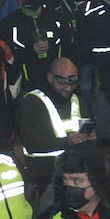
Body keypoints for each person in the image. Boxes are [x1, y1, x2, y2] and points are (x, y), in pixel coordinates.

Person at [14, 56, 93, 198]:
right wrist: (67, 142)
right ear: (50, 77)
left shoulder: (77, 101)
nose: (68, 88)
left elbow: (87, 130)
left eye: (72, 83)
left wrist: (91, 137)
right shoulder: (32, 102)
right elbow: (31, 143)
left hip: (77, 175)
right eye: (62, 82)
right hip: (45, 177)